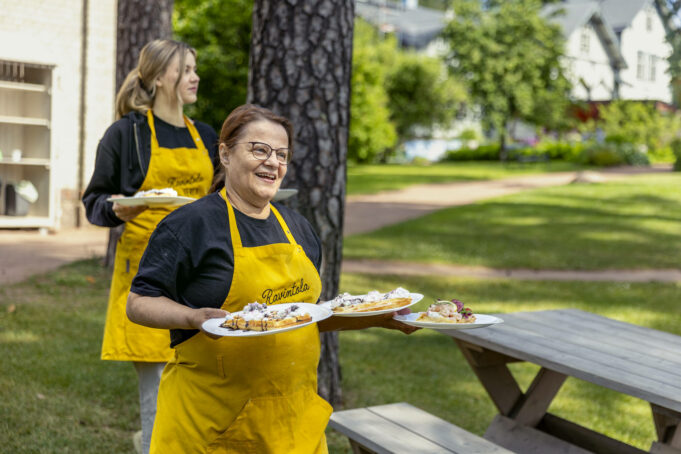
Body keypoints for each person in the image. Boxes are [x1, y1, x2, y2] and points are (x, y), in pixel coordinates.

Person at [126, 104, 417, 453]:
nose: (273, 162)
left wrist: (377, 317)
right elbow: (138, 302)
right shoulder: (190, 225)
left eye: (281, 154)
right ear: (226, 153)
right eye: (259, 149)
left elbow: (303, 317)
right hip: (210, 425)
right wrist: (193, 317)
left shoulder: (298, 228)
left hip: (290, 425)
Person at [81, 39, 218, 454]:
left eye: (195, 68)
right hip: (148, 276)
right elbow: (94, 202)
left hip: (201, 272)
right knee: (157, 391)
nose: (195, 77)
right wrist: (117, 209)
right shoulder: (127, 134)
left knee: (201, 386)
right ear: (160, 77)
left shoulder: (206, 135)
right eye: (186, 69)